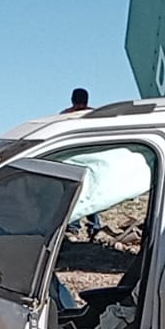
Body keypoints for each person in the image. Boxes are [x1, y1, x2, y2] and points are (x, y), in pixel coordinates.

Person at [61, 88, 103, 236]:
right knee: (90, 193)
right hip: (90, 161)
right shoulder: (94, 116)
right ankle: (93, 226)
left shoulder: (65, 117)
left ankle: (75, 227)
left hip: (73, 160)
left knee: (74, 194)